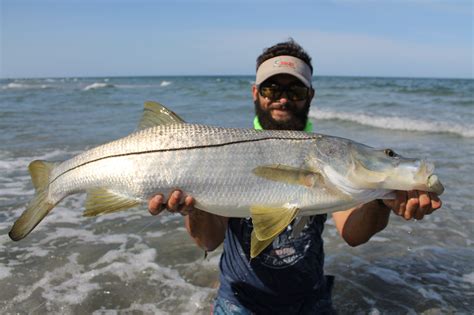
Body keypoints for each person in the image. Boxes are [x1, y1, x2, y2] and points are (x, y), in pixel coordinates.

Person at [147, 39, 442, 314]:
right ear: (255, 93)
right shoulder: (225, 150)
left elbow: (354, 235)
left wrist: (380, 200)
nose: (283, 100)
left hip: (310, 301)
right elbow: (208, 241)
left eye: (295, 91)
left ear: (310, 95)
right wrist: (193, 208)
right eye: (271, 89)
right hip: (238, 302)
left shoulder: (329, 156)